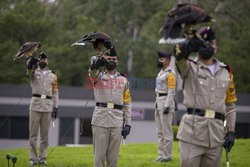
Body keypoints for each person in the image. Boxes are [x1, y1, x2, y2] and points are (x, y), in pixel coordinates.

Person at [175, 27, 237, 167]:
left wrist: (231, 132)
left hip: (216, 135)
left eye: (210, 43)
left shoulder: (226, 72)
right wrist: (185, 46)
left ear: (216, 47)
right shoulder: (189, 66)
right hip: (192, 134)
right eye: (204, 43)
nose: (207, 46)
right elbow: (179, 59)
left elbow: (230, 106)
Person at [88, 45, 132, 167]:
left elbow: (127, 102)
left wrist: (128, 123)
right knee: (99, 158)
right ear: (105, 60)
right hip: (100, 120)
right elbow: (92, 73)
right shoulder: (98, 76)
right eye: (109, 58)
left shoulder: (123, 80)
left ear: (117, 60)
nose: (112, 60)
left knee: (113, 160)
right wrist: (94, 64)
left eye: (114, 58)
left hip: (117, 121)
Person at [26, 52, 59, 166]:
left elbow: (55, 92)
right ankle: (33, 159)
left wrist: (56, 107)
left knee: (45, 135)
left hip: (48, 106)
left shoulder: (53, 75)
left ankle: (43, 158)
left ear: (47, 61)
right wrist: (30, 65)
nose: (43, 61)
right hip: (35, 105)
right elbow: (29, 73)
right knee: (33, 135)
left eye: (45, 60)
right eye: (41, 60)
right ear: (38, 61)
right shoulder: (34, 73)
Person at [154, 51, 177, 163]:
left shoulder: (170, 73)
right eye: (159, 59)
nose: (159, 61)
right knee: (159, 131)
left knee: (166, 131)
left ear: (167, 61)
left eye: (162, 59)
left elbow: (171, 91)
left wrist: (167, 106)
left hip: (165, 103)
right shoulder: (161, 72)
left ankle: (167, 155)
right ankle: (161, 154)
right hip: (158, 102)